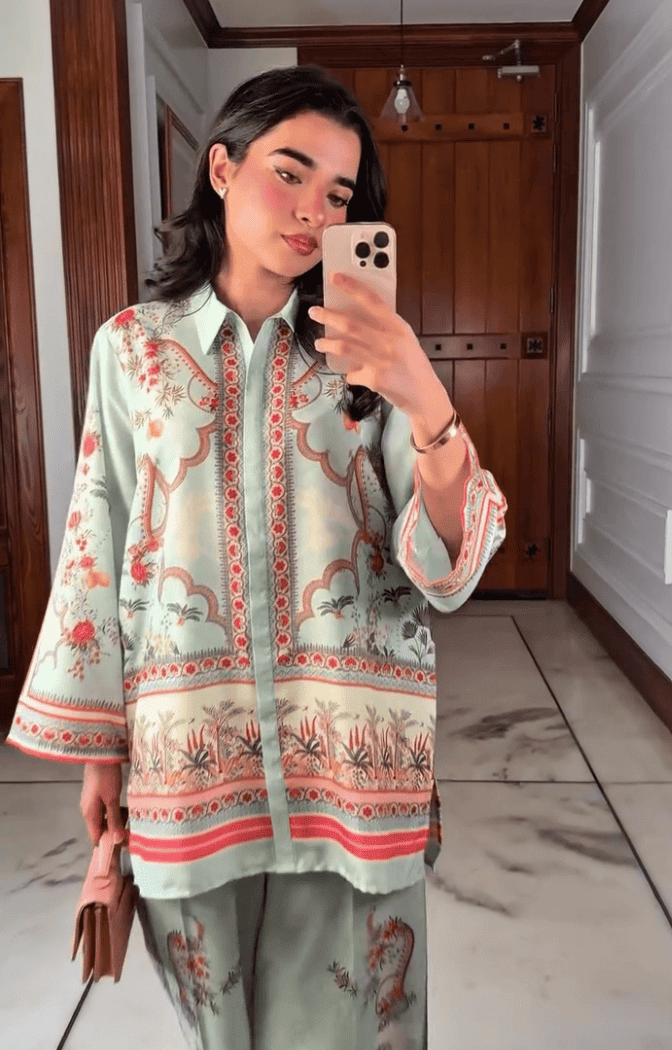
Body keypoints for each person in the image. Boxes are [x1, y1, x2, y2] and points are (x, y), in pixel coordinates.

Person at [6, 65, 507, 1050]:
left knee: (362, 1015)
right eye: (292, 173)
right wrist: (97, 746)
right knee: (220, 1021)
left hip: (352, 754)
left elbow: (446, 562)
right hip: (189, 755)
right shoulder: (131, 349)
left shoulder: (373, 354)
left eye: (339, 194)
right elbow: (96, 542)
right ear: (223, 170)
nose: (316, 212)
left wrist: (426, 401)